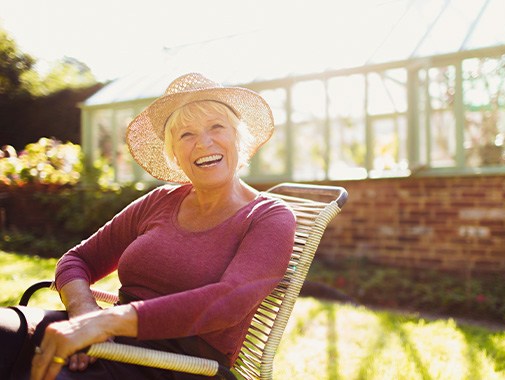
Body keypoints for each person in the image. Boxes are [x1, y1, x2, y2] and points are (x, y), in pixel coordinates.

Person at [0, 72, 297, 380]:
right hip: (110, 339)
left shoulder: (269, 217)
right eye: (186, 135)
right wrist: (85, 315)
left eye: (216, 126)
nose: (203, 142)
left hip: (176, 365)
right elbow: (77, 260)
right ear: (174, 154)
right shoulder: (160, 200)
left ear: (239, 137)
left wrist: (104, 323)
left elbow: (228, 303)